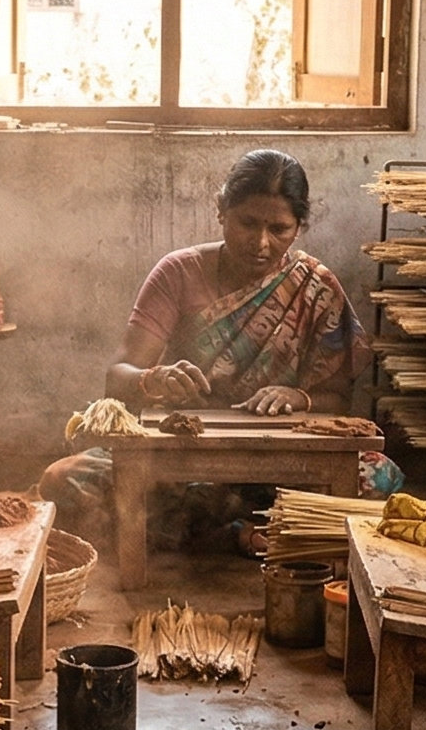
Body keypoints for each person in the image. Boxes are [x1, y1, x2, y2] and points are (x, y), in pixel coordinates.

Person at [36, 149, 401, 553]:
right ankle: (253, 532)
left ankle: (216, 532)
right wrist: (154, 379)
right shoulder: (178, 273)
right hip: (179, 457)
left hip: (282, 460)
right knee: (63, 480)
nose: (261, 243)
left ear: (299, 227)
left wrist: (299, 397)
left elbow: (339, 402)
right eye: (248, 223)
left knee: (378, 477)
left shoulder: (315, 286)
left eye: (279, 229)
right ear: (221, 210)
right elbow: (117, 378)